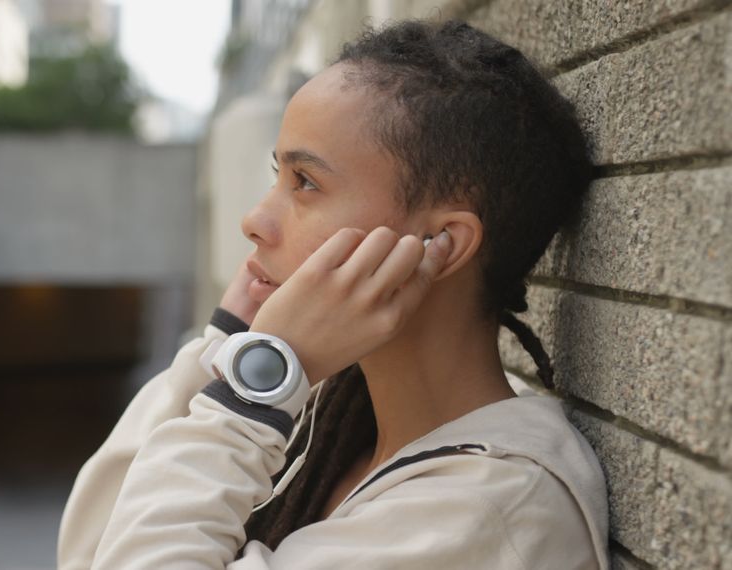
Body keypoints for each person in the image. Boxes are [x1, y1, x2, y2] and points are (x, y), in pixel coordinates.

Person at [58, 19, 609, 569]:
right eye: (277, 175)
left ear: (439, 243)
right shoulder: (331, 414)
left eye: (305, 183)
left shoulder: (488, 509)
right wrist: (229, 344)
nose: (255, 220)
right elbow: (92, 549)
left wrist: (261, 384)